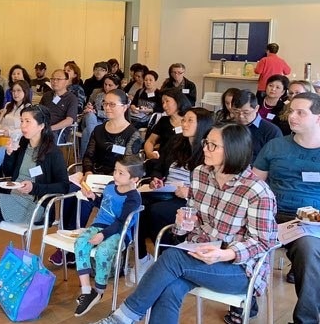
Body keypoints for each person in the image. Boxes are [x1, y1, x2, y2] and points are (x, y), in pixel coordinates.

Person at [89, 123, 278, 324]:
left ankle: (121, 318)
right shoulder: (201, 174)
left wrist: (225, 254)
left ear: (233, 150)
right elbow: (192, 221)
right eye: (206, 142)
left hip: (239, 269)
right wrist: (182, 224)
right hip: (198, 255)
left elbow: (263, 242)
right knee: (169, 287)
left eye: (213, 145)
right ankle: (123, 318)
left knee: (172, 258)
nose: (204, 148)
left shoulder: (256, 191)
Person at [0, 105, 70, 286]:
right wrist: (10, 155)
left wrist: (34, 188)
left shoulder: (52, 153)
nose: (23, 126)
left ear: (41, 125)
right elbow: (12, 174)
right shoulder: (25, 145)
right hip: (14, 197)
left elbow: (64, 186)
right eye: (22, 121)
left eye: (28, 121)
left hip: (34, 205)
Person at [253, 92, 320, 324]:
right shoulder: (276, 146)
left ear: (318, 118)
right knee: (308, 247)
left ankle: (307, 319)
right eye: (291, 111)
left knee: (310, 247)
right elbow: (254, 183)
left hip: (314, 220)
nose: (292, 116)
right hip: (274, 215)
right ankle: (245, 302)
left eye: (301, 112)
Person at [137, 108, 213, 268]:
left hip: (188, 198)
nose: (184, 124)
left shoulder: (209, 150)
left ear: (203, 125)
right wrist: (156, 179)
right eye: (183, 120)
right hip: (166, 190)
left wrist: (189, 192)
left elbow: (211, 185)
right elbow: (159, 165)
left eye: (190, 120)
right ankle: (142, 256)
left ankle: (166, 257)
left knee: (157, 211)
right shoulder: (176, 141)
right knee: (136, 204)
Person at [73, 157, 144, 317]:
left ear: (134, 179)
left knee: (103, 252)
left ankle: (98, 290)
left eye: (121, 173)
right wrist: (93, 197)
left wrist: (102, 235)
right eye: (115, 171)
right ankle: (86, 291)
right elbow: (104, 205)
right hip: (99, 225)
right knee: (80, 244)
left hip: (120, 232)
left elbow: (121, 222)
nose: (115, 175)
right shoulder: (110, 186)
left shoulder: (133, 198)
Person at [81, 89, 143, 178]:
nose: (107, 107)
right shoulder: (98, 129)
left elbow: (128, 165)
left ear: (124, 107)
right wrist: (88, 172)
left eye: (112, 104)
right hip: (95, 176)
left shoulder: (132, 134)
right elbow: (88, 156)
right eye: (105, 103)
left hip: (118, 179)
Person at [230, 90, 282, 162]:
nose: (241, 116)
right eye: (236, 112)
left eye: (246, 112)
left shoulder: (271, 131)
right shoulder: (228, 127)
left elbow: (276, 160)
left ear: (256, 108)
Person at [142, 88, 191, 160]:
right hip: (163, 160)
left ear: (178, 101)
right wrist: (149, 153)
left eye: (167, 101)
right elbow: (150, 141)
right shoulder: (163, 121)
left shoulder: (190, 122)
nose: (164, 106)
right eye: (163, 103)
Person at [80, 74, 122, 159]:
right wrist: (89, 107)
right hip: (93, 119)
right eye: (105, 84)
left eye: (110, 85)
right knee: (90, 116)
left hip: (108, 121)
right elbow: (90, 106)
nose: (107, 87)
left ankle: (85, 159)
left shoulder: (120, 97)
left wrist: (96, 112)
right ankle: (94, 136)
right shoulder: (98, 93)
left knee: (87, 131)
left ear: (117, 86)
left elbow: (114, 113)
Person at [40, 69, 79, 133]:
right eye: (53, 79)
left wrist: (50, 129)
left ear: (66, 81)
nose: (55, 81)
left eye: (58, 79)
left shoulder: (72, 98)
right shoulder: (47, 95)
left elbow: (69, 120)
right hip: (42, 127)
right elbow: (39, 112)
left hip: (58, 131)